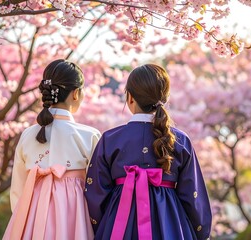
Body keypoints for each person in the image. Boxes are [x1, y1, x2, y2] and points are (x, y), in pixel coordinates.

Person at [84, 64, 212, 240]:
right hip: (171, 223)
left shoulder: (109, 139)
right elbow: (193, 196)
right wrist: (200, 232)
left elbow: (95, 194)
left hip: (118, 225)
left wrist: (103, 226)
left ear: (129, 98)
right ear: (164, 99)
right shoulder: (180, 141)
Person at [3, 59, 100, 240]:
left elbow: (18, 190)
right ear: (76, 93)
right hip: (75, 217)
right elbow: (97, 187)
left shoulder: (27, 135)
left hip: (32, 217)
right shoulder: (89, 136)